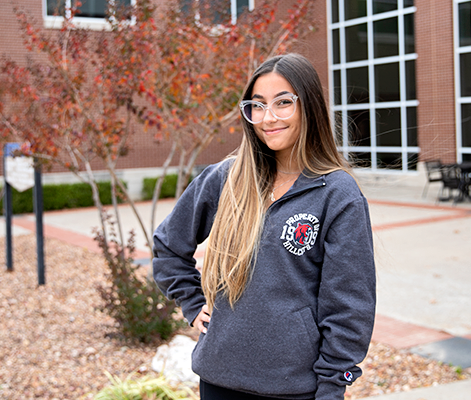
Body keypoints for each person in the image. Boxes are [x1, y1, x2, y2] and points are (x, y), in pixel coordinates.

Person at [152, 53, 376, 400]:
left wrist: (333, 386)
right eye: (257, 105)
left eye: (283, 102)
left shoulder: (337, 194)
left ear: (309, 106)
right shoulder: (225, 179)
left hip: (293, 388)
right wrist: (193, 304)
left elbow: (349, 306)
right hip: (219, 379)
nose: (268, 118)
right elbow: (168, 246)